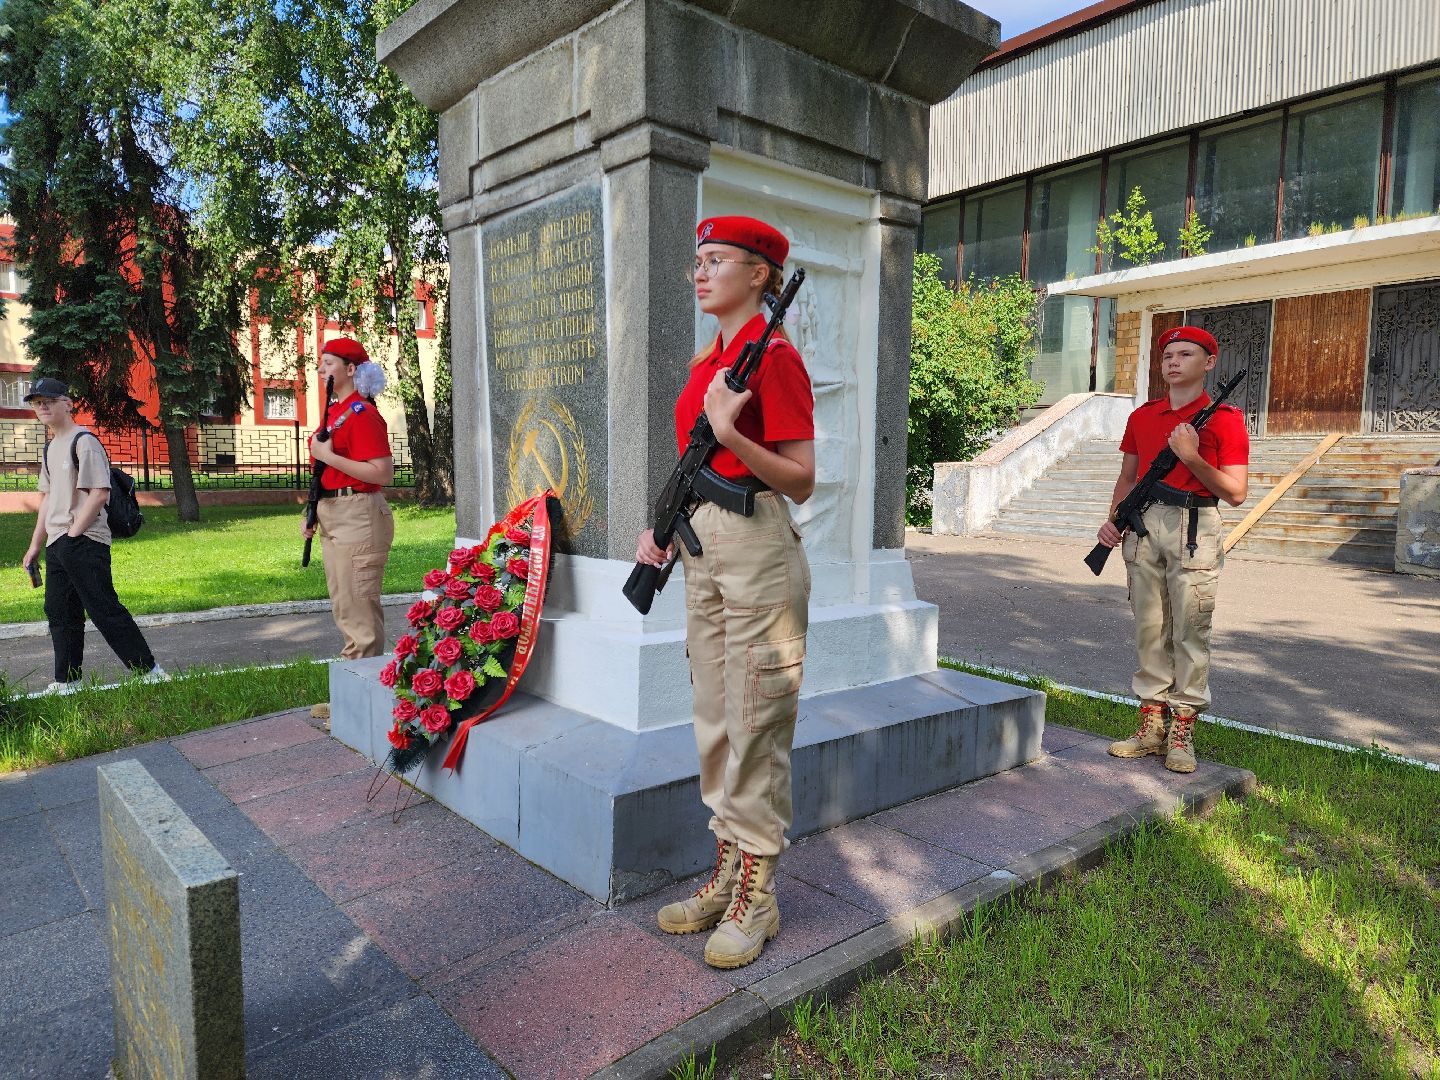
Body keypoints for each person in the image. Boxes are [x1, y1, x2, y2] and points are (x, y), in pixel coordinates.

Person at [637, 216, 815, 970]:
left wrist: (734, 436)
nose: (701, 273)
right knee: (714, 714)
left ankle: (759, 894)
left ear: (760, 276)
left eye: (716, 261)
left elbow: (802, 479)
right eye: (697, 261)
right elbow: (690, 462)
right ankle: (728, 873)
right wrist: (661, 531)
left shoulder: (774, 359)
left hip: (758, 551)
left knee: (756, 717)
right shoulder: (708, 359)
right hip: (702, 550)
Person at [1096, 326, 1249, 773]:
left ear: (1209, 363)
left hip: (1195, 524)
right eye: (1167, 356)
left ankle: (1182, 730)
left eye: (1185, 354)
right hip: (1143, 526)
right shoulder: (1142, 417)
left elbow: (1236, 492)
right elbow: (1128, 476)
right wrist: (1114, 520)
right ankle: (1151, 726)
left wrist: (1192, 455)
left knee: (1189, 630)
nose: (1173, 362)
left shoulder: (1225, 419)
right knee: (1149, 627)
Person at [20, 378, 165, 693]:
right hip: (58, 543)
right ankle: (67, 682)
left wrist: (73, 534)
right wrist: (35, 546)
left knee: (102, 607)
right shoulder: (50, 447)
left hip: (84, 540)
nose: (42, 406)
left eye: (49, 400)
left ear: (67, 403)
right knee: (60, 612)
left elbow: (100, 493)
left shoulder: (83, 441)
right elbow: (46, 500)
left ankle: (149, 671)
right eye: (36, 402)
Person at [301, 337, 395, 660]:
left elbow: (382, 473)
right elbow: (324, 472)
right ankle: (353, 699)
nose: (321, 367)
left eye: (330, 362)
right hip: (335, 514)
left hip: (358, 517)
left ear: (351, 369)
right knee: (346, 610)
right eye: (320, 362)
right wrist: (312, 511)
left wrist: (328, 455)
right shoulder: (336, 411)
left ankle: (361, 703)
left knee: (360, 620)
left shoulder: (361, 412)